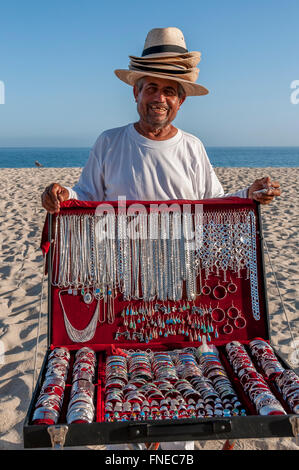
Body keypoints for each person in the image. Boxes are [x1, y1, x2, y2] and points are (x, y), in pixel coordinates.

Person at [41, 27, 281, 450]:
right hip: (117, 288)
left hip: (182, 289)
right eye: (151, 87)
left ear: (181, 100)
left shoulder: (192, 148)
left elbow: (214, 206)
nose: (160, 98)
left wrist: (249, 194)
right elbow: (83, 200)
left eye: (170, 90)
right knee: (123, 409)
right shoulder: (110, 143)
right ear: (136, 92)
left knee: (182, 411)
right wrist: (60, 196)